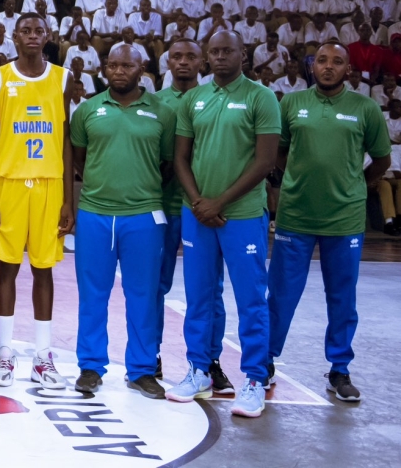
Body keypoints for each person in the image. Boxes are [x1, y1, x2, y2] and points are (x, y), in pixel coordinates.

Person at [166, 30, 281, 418]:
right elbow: (181, 158)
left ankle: (253, 377)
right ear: (205, 58)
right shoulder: (195, 99)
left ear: (242, 54)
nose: (219, 57)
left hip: (243, 214)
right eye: (213, 52)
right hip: (197, 214)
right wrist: (200, 202)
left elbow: (266, 162)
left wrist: (219, 201)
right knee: (199, 296)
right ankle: (199, 369)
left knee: (251, 299)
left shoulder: (261, 97)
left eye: (226, 51)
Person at [270, 42, 390, 403]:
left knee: (342, 298)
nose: (328, 67)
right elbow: (278, 150)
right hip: (296, 215)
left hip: (344, 219)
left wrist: (356, 188)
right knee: (281, 295)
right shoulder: (291, 103)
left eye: (337, 62)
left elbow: (381, 161)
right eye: (322, 60)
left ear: (348, 70)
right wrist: (296, 178)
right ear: (312, 66)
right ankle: (265, 361)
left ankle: (339, 368)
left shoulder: (365, 108)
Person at [70, 45, 176, 399]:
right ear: (104, 68)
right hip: (95, 213)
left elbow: (166, 162)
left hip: (144, 214)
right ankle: (90, 366)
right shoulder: (88, 109)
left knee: (143, 295)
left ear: (142, 68)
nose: (118, 71)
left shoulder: (163, 111)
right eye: (112, 65)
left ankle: (143, 369)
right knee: (92, 294)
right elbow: (80, 160)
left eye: (126, 65)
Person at [0, 13, 74, 388]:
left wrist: (69, 198)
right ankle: (5, 354)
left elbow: (66, 140)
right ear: (13, 37)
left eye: (39, 30)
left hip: (50, 184)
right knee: (6, 268)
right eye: (26, 31)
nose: (33, 36)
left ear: (48, 36)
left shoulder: (63, 78)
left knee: (43, 270)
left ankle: (42, 355)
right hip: (9, 185)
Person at [155, 40, 229, 385]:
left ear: (203, 62)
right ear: (167, 62)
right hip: (162, 209)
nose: (183, 62)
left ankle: (210, 361)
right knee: (154, 286)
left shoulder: (215, 98)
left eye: (190, 57)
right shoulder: (153, 102)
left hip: (204, 210)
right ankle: (149, 357)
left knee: (210, 289)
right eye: (177, 57)